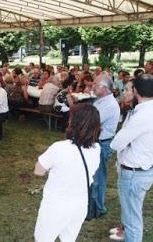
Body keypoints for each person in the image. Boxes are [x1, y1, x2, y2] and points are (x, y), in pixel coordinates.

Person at [34, 103, 101, 242]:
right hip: (80, 204)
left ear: (73, 122)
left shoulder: (59, 148)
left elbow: (38, 171)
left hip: (56, 205)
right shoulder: (97, 148)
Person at [110, 74, 153, 242]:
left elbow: (116, 143)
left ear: (136, 91)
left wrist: (127, 142)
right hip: (144, 168)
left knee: (132, 219)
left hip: (134, 173)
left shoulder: (142, 115)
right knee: (132, 213)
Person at [91, 74, 121, 218]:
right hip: (96, 141)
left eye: (95, 84)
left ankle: (99, 208)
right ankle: (93, 205)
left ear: (104, 88)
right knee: (94, 176)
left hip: (103, 144)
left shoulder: (109, 104)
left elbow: (92, 121)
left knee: (99, 178)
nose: (92, 86)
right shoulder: (101, 100)